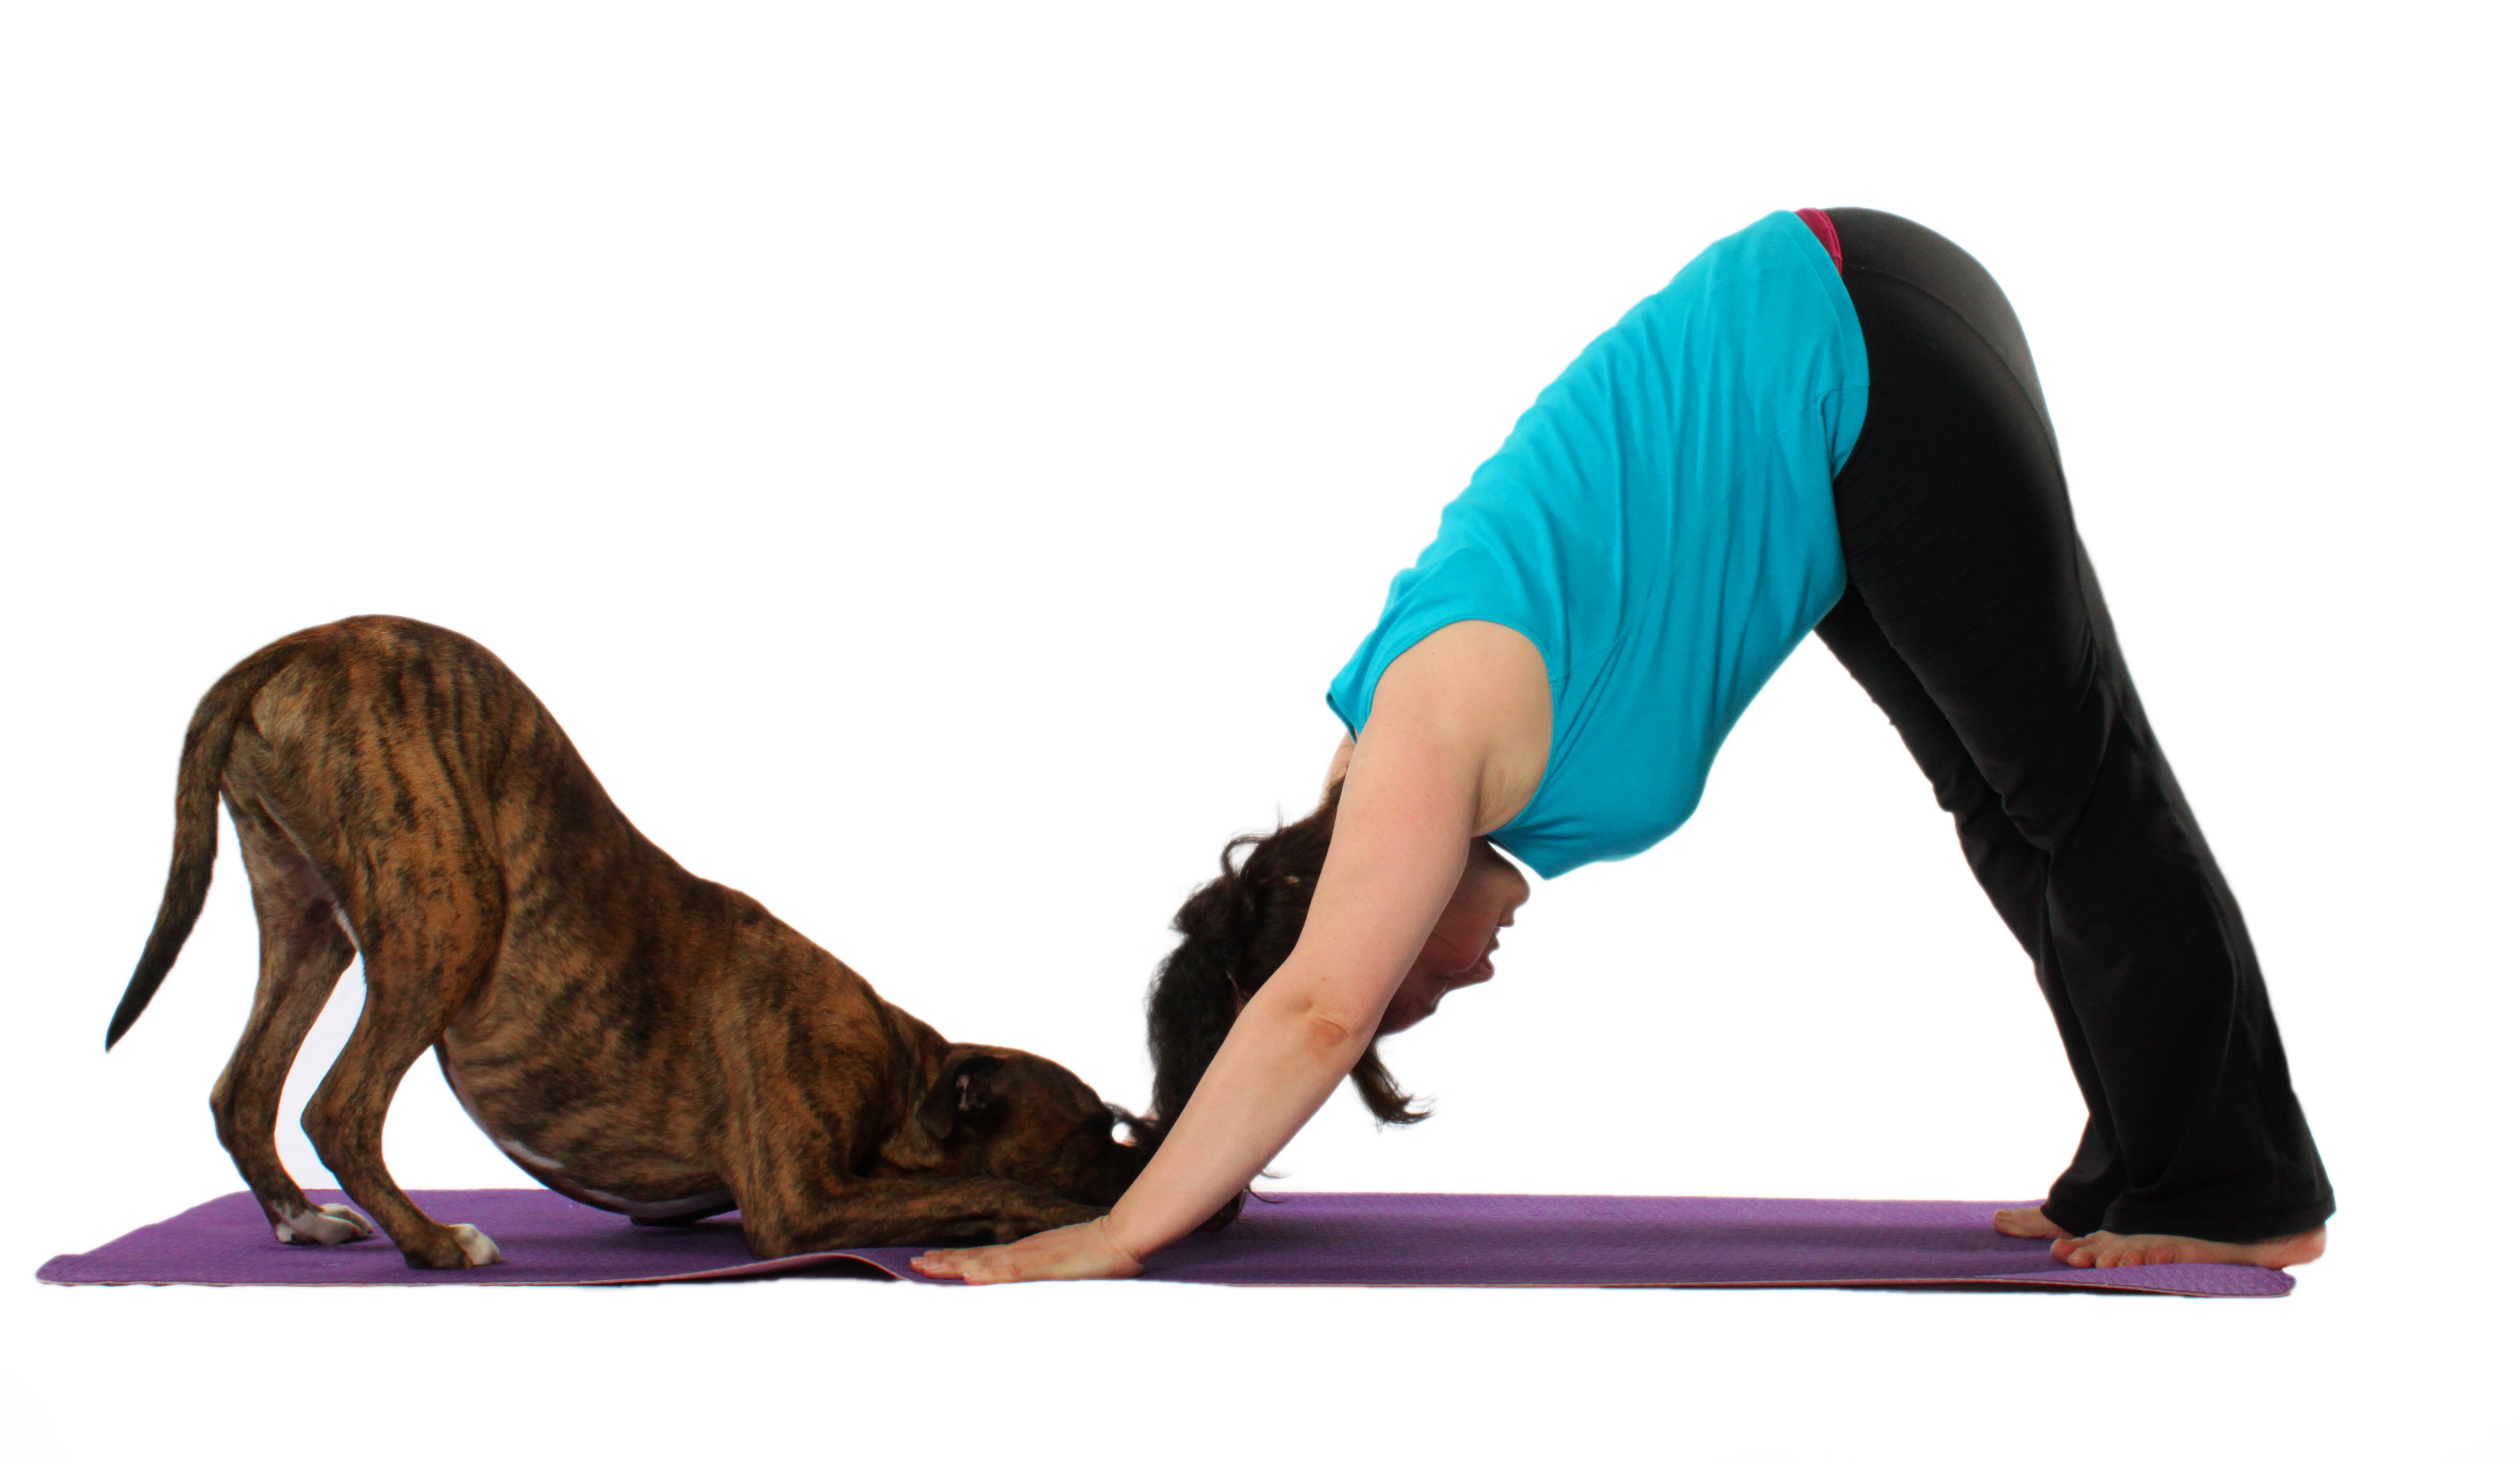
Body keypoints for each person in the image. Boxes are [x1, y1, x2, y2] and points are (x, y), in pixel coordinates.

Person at [911, 208, 2334, 1284]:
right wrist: (1186, 1158)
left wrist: (1116, 1236)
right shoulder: (1391, 763)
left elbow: (1312, 1012)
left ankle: (2235, 1186)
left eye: (1424, 983)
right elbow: (1294, 989)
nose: (1467, 978)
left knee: (2073, 788)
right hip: (1838, 406)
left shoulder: (1416, 749)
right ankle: (2144, 1153)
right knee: (2012, 801)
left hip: (1859, 343)